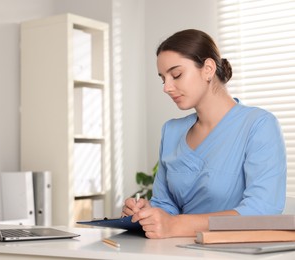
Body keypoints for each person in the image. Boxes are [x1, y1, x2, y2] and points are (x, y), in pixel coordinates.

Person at [122, 29, 287, 239]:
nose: (167, 87)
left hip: (233, 252)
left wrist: (176, 225)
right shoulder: (171, 131)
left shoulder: (259, 125)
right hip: (174, 251)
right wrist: (145, 214)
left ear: (208, 69)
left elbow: (262, 211)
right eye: (163, 78)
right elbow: (165, 206)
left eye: (176, 75)